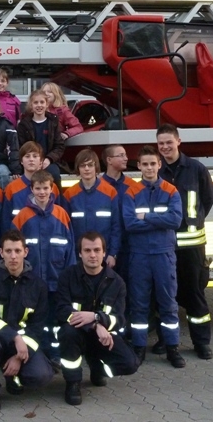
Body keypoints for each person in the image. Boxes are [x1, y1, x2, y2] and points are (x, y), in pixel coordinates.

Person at [0, 230, 54, 412]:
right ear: (1, 253)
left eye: (17, 251)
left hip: (22, 346)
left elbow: (37, 327)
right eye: (8, 251)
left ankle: (12, 376)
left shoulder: (38, 285)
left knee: (42, 375)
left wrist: (18, 357)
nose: (13, 257)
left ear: (26, 252)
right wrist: (14, 337)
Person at [56, 231, 139, 406]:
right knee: (67, 332)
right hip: (77, 333)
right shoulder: (67, 277)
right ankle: (73, 383)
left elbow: (119, 319)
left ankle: (97, 367)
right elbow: (62, 310)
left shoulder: (117, 282)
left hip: (103, 337)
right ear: (80, 253)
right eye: (87, 250)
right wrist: (94, 325)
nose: (92, 255)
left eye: (96, 250)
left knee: (130, 363)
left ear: (104, 252)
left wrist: (96, 317)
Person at [122, 145, 185, 368]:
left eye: (153, 163)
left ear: (160, 165)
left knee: (168, 303)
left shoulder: (171, 191)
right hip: (139, 256)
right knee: (139, 305)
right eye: (145, 164)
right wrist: (158, 219)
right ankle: (139, 348)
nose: (149, 168)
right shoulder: (131, 192)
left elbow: (175, 221)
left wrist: (145, 217)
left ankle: (172, 348)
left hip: (163, 255)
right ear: (138, 166)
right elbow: (130, 224)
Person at [157, 124, 213, 360]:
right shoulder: (157, 170)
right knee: (164, 294)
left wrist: (195, 221)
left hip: (192, 245)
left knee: (194, 294)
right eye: (161, 143)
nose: (165, 147)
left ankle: (201, 343)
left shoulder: (196, 168)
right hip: (165, 245)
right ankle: (165, 340)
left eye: (168, 142)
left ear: (178, 141)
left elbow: (208, 198)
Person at [11, 170, 75, 367]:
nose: (42, 192)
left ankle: (54, 355)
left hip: (56, 280)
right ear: (31, 189)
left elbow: (70, 247)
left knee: (55, 321)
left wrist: (70, 277)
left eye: (45, 188)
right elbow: (13, 247)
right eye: (37, 188)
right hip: (31, 281)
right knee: (35, 320)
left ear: (52, 189)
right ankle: (35, 355)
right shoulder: (22, 216)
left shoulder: (61, 214)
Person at [62, 148, 120, 267]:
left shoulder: (110, 192)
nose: (87, 169)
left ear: (96, 167)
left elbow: (116, 226)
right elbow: (66, 229)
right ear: (78, 168)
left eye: (90, 165)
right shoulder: (69, 194)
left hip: (104, 256)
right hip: (78, 257)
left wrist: (113, 254)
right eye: (83, 166)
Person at [1, 141, 60, 233]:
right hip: (19, 242)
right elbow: (5, 221)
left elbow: (58, 217)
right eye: (27, 156)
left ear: (41, 161)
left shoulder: (52, 188)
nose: (31, 159)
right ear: (21, 161)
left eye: (35, 156)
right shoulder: (11, 188)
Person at [101, 145, 137, 284]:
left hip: (129, 247)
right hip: (107, 247)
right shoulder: (99, 186)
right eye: (121, 155)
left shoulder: (133, 186)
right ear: (109, 160)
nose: (126, 158)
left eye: (125, 155)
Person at [17, 89, 65, 187]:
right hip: (30, 162)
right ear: (31, 105)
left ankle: (58, 201)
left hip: (48, 161)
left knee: (55, 175)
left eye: (42, 102)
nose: (39, 105)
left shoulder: (53, 122)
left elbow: (59, 146)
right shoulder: (23, 124)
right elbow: (21, 147)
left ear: (47, 104)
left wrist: (49, 159)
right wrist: (32, 161)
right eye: (36, 102)